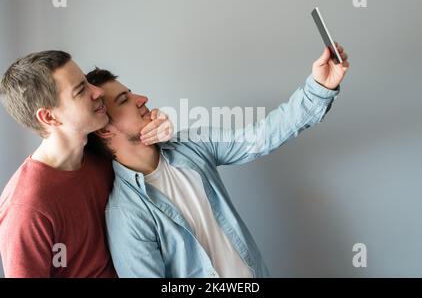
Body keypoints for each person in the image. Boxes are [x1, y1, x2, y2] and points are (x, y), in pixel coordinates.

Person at [85, 43, 349, 278]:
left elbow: (261, 137)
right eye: (124, 100)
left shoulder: (190, 146)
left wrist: (319, 88)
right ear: (104, 129)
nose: (142, 99)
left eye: (130, 93)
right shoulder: (126, 214)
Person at [0, 51, 173, 277]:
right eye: (81, 90)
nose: (97, 91)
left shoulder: (101, 156)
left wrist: (162, 129)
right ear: (49, 118)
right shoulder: (26, 207)